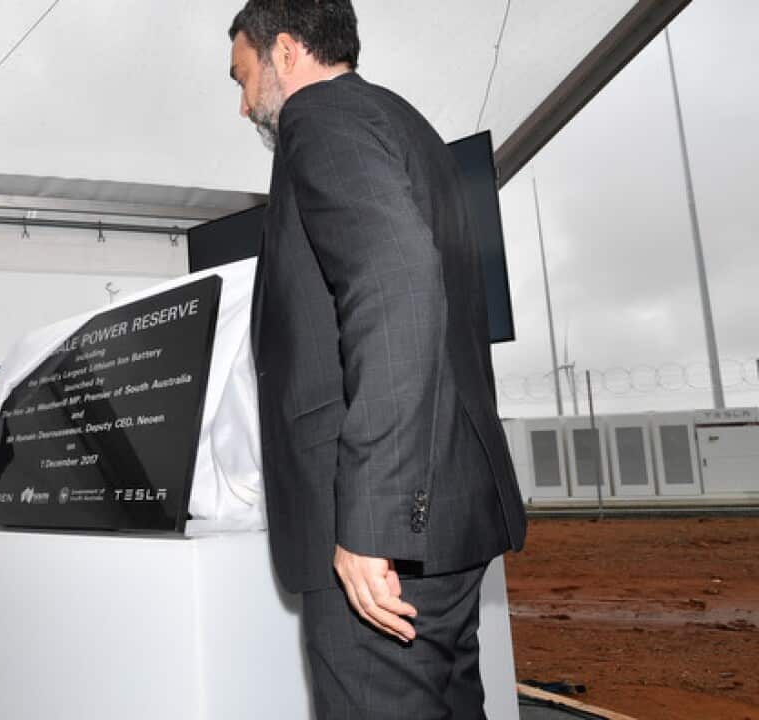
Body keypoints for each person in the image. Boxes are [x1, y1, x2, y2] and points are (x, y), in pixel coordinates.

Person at [227, 2, 527, 717]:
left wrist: (370, 522)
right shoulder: (407, 126)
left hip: (385, 538)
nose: (243, 105)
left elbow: (397, 287)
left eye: (243, 78)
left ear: (287, 52)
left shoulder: (321, 119)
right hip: (447, 515)